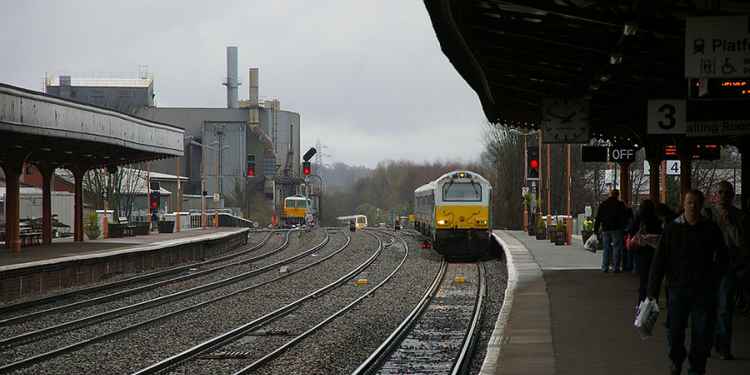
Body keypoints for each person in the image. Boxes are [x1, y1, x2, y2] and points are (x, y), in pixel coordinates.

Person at [648, 190, 728, 375]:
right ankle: (676, 360)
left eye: (696, 203)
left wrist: (715, 278)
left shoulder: (710, 229)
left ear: (701, 205)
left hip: (703, 290)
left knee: (702, 332)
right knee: (674, 330)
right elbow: (659, 261)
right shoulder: (672, 229)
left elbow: (723, 258)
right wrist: (652, 291)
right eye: (689, 202)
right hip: (677, 289)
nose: (693, 206)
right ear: (683, 205)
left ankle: (697, 367)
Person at [704, 181, 748, 360]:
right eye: (720, 192)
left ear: (731, 196)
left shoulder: (739, 216)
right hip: (708, 266)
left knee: (724, 308)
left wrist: (729, 224)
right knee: (708, 308)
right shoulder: (707, 213)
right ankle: (710, 343)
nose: (723, 196)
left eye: (726, 193)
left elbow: (742, 243)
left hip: (728, 267)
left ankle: (724, 346)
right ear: (715, 195)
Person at [630, 199, 662, 303]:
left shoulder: (639, 219)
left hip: (641, 251)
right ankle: (653, 301)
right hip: (654, 252)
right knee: (653, 278)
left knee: (643, 280)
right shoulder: (657, 220)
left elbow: (632, 231)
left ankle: (641, 303)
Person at [594, 189, 628, 273]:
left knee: (606, 248)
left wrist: (596, 230)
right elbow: (624, 217)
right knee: (616, 248)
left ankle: (604, 267)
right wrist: (624, 228)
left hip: (605, 229)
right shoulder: (620, 205)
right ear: (617, 195)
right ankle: (615, 267)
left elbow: (598, 218)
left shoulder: (603, 204)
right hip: (616, 229)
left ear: (610, 194)